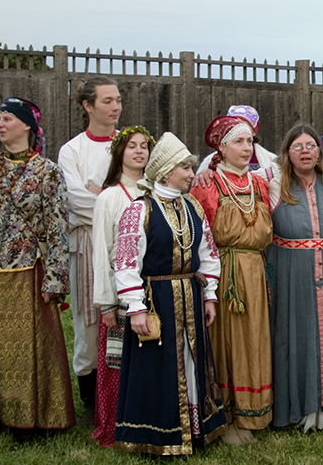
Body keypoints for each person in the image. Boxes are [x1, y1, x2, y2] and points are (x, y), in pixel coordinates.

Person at [0, 97, 75, 435]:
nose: (0, 124)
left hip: (25, 272)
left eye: (7, 118)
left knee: (23, 350)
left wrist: (55, 280)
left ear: (27, 127)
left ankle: (27, 416)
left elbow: (56, 227)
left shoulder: (47, 171)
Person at [113, 132, 228, 455]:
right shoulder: (140, 210)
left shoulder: (191, 205)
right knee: (158, 367)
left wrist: (209, 295)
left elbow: (208, 253)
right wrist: (135, 307)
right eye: (185, 168)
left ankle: (194, 431)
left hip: (190, 294)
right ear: (165, 171)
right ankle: (157, 436)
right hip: (157, 299)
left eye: (191, 168)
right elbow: (126, 262)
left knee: (193, 362)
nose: (192, 174)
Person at [190, 116, 274, 444]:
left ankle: (254, 413)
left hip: (255, 271)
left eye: (250, 141)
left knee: (255, 338)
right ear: (221, 148)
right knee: (225, 340)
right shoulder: (207, 183)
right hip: (224, 272)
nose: (246, 148)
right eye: (239, 142)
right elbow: (198, 236)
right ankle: (226, 417)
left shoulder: (260, 184)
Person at [263, 124, 323, 431]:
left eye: (310, 145)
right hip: (290, 272)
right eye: (297, 146)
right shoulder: (271, 181)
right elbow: (232, 178)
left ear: (319, 150)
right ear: (287, 152)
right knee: (294, 335)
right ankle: (298, 407)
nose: (305, 151)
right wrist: (209, 170)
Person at [57, 76, 122, 426]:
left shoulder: (129, 144)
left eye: (118, 100)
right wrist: (112, 196)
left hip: (126, 242)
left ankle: (122, 396)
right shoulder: (72, 150)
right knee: (89, 319)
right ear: (87, 106)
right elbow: (73, 198)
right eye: (107, 101)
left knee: (126, 315)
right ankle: (90, 403)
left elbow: (142, 189)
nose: (115, 107)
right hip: (85, 244)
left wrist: (106, 194)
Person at [90, 125, 155, 447]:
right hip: (119, 293)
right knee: (117, 360)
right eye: (132, 146)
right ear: (120, 152)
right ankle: (114, 425)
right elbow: (101, 252)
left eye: (144, 146)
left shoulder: (155, 193)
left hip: (152, 289)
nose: (139, 151)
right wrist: (106, 303)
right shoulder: (110, 197)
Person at [197, 105, 276, 173]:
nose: (239, 129)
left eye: (244, 126)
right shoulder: (209, 162)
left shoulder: (272, 161)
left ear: (254, 132)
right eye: (233, 126)